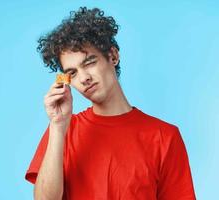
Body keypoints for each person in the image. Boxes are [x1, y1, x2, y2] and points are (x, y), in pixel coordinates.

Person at [25, 6, 196, 200]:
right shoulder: (62, 130)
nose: (84, 78)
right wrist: (57, 126)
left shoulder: (164, 136)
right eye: (72, 73)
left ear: (113, 56)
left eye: (89, 62)